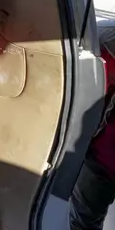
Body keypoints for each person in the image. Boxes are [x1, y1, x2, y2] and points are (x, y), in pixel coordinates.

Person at [69, 26, 115, 230]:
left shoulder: (102, 41)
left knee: (84, 222)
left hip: (102, 160)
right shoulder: (103, 40)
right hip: (102, 160)